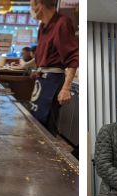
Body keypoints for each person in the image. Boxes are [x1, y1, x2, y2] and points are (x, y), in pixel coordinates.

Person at [31, 0, 79, 135]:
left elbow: (73, 58)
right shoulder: (42, 27)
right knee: (35, 118)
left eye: (32, 5)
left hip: (53, 80)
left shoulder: (62, 23)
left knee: (47, 121)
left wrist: (66, 87)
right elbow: (42, 56)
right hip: (41, 79)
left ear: (40, 5)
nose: (32, 10)